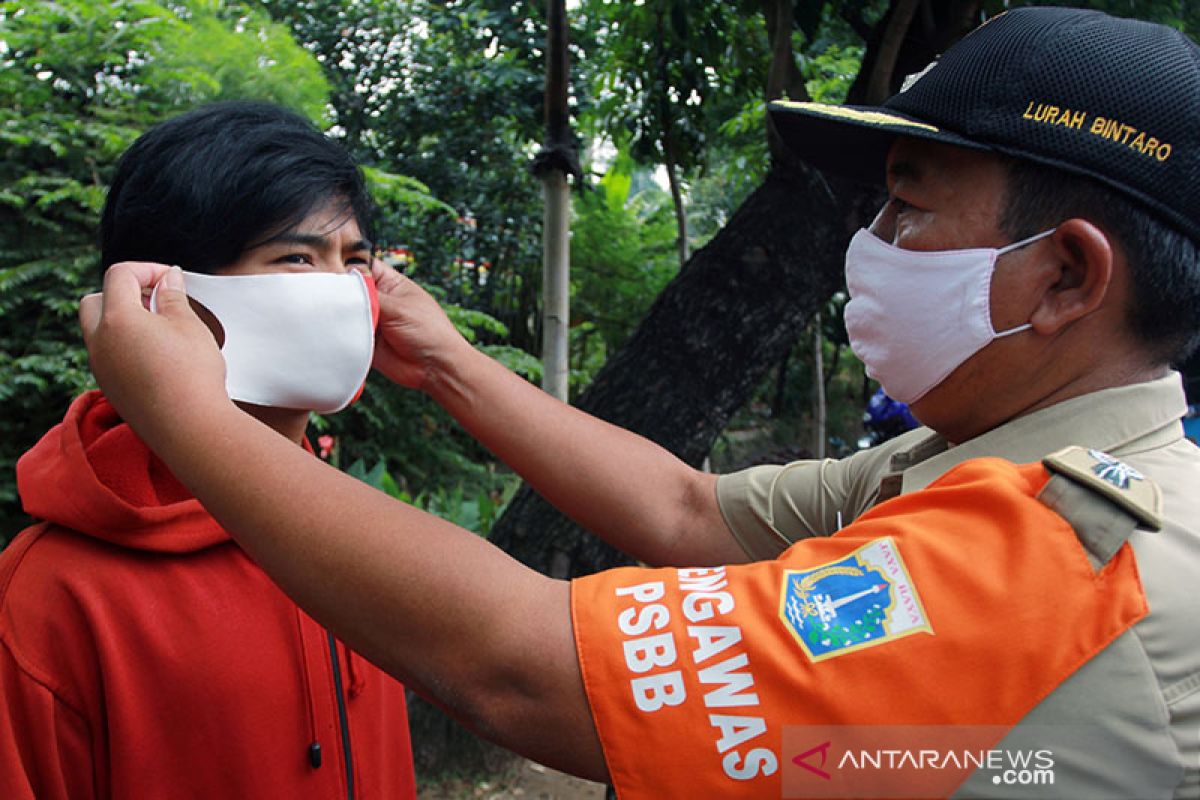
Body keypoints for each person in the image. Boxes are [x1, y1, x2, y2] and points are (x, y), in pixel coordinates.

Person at [78, 8, 1199, 799]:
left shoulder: (1056, 554)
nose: (870, 247)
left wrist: (190, 414)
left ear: (1066, 276)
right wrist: (455, 363)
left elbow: (520, 669)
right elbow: (684, 510)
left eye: (908, 211)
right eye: (297, 259)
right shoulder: (963, 463)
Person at [0, 102, 417, 799]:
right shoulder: (49, 599)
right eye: (297, 257)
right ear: (163, 289)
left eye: (357, 260)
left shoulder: (362, 537)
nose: (345, 290)